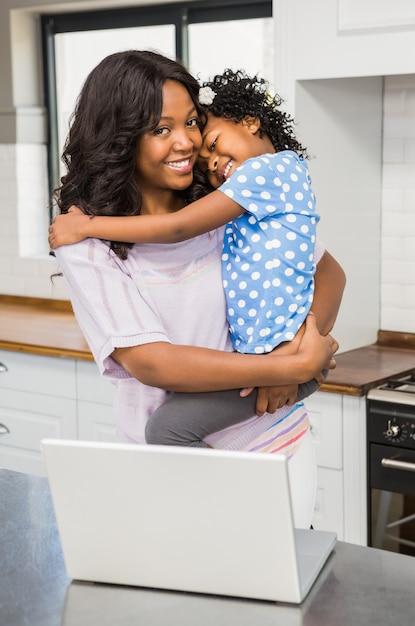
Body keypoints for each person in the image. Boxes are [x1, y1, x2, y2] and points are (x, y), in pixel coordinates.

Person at [49, 50, 343, 528]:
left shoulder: (224, 201)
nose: (187, 142)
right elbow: (151, 362)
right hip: (174, 466)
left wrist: (294, 353)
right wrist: (283, 365)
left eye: (191, 122)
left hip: (279, 448)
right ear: (120, 139)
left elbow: (327, 273)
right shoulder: (87, 239)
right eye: (161, 129)